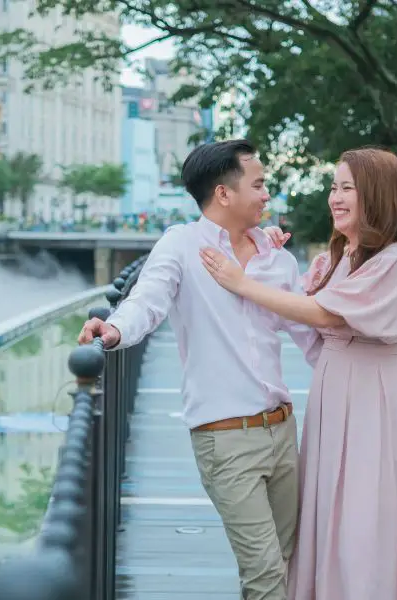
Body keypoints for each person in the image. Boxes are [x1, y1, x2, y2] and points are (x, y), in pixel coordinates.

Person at [78, 139, 336, 600]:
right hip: (225, 438)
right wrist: (112, 331)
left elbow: (311, 339)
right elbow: (146, 303)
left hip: (282, 432)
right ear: (223, 193)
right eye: (258, 184)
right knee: (263, 573)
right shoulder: (181, 245)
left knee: (288, 562)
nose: (266, 195)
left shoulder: (277, 259)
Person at [199, 147, 397, 600]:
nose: (336, 197)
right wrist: (263, 251)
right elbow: (304, 311)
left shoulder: (394, 261)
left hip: (373, 400)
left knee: (365, 522)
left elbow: (324, 315)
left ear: (379, 197)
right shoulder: (342, 258)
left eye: (348, 188)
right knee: (330, 514)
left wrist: (242, 281)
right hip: (337, 396)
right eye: (334, 186)